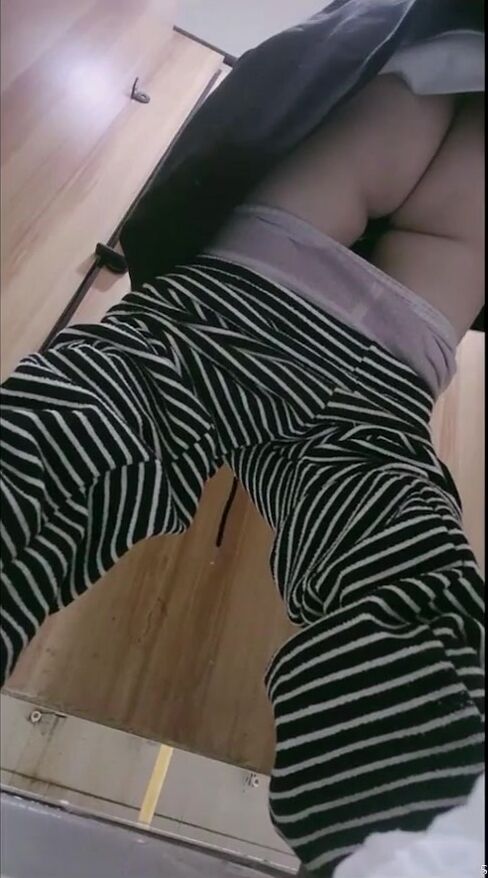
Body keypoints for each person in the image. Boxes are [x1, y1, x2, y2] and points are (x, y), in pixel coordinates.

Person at [1, 75, 484, 875]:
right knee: (386, 541)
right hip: (362, 373)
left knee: (83, 433)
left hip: (276, 312)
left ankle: (451, 56)